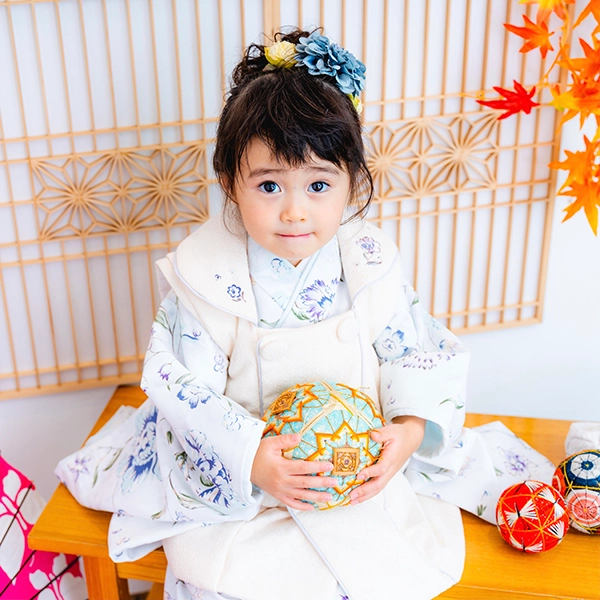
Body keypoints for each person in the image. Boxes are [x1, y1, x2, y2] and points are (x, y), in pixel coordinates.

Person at [56, 29, 555, 600]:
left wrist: (409, 431)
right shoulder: (207, 281)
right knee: (231, 584)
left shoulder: (368, 267)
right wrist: (250, 458)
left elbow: (414, 352)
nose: (295, 211)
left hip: (358, 469)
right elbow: (184, 391)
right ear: (230, 184)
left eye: (319, 184)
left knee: (387, 573)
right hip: (254, 488)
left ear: (352, 182)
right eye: (270, 185)